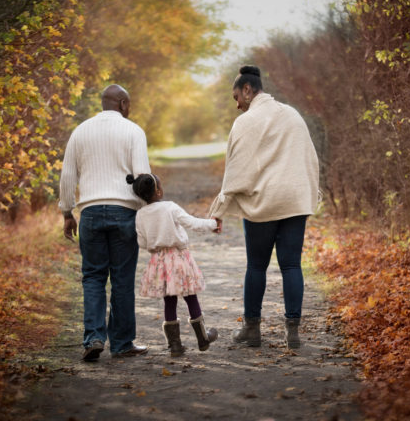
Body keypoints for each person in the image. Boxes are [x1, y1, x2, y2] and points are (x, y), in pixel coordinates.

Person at [208, 65, 320, 349]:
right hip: (294, 201)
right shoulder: (293, 115)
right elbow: (310, 159)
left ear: (248, 89)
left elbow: (236, 169)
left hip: (263, 203)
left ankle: (252, 329)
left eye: (236, 97)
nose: (236, 105)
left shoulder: (246, 122)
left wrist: (220, 209)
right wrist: (309, 194)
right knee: (291, 265)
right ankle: (292, 332)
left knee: (256, 266)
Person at [59, 84, 150, 360]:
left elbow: (67, 177)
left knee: (93, 277)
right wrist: (148, 211)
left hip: (90, 214)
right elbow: (143, 178)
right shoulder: (133, 131)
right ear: (122, 103)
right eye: (129, 103)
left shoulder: (80, 131)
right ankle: (122, 344)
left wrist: (66, 212)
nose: (130, 109)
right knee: (122, 279)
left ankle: (93, 339)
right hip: (124, 212)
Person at [127, 172, 221, 357]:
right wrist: (212, 224)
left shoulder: (140, 215)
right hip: (179, 259)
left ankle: (175, 346)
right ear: (159, 191)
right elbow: (192, 223)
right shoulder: (170, 208)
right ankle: (203, 338)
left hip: (159, 262)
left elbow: (143, 243)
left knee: (169, 301)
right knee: (190, 296)